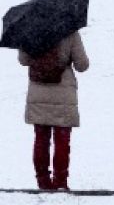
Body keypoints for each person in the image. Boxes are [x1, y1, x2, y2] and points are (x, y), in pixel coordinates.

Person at [19, 30, 90, 190]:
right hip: (63, 93)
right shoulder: (70, 31)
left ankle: (43, 182)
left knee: (41, 140)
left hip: (38, 90)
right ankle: (60, 183)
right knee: (62, 140)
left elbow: (23, 60)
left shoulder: (30, 30)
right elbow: (82, 65)